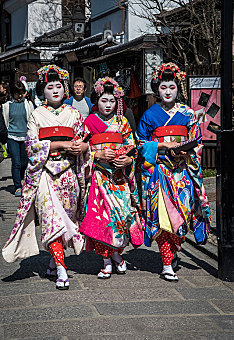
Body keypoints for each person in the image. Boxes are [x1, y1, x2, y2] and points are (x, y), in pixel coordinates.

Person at [2, 65, 91, 290]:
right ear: (43, 89)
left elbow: (83, 141)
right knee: (52, 222)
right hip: (45, 174)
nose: (54, 90)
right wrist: (59, 144)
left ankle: (53, 261)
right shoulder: (37, 114)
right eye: (49, 86)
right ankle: (62, 268)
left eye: (58, 86)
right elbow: (31, 146)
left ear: (65, 89)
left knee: (65, 221)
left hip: (69, 175)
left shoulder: (74, 115)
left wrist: (82, 147)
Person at [136, 62, 211, 282]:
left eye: (172, 87)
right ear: (156, 89)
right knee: (162, 219)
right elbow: (140, 144)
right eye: (163, 87)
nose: (168, 91)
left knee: (182, 216)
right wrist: (161, 147)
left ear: (178, 88)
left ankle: (173, 251)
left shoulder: (188, 114)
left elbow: (197, 142)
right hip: (159, 172)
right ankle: (166, 263)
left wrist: (185, 151)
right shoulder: (149, 115)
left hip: (182, 172)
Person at [79, 77, 144, 279]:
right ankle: (106, 261)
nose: (108, 105)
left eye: (111, 101)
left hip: (118, 178)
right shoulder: (88, 122)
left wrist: (127, 160)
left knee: (122, 216)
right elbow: (79, 148)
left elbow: (132, 146)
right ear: (96, 100)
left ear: (117, 102)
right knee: (102, 218)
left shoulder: (122, 122)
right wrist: (95, 155)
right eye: (103, 100)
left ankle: (117, 254)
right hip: (98, 177)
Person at [2, 80, 34, 196]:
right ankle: (18, 186)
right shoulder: (7, 106)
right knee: (16, 162)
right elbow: (6, 122)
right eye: (17, 93)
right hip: (12, 137)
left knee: (25, 162)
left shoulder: (28, 104)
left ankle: (25, 182)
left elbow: (32, 120)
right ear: (13, 93)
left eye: (21, 93)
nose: (20, 96)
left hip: (25, 137)